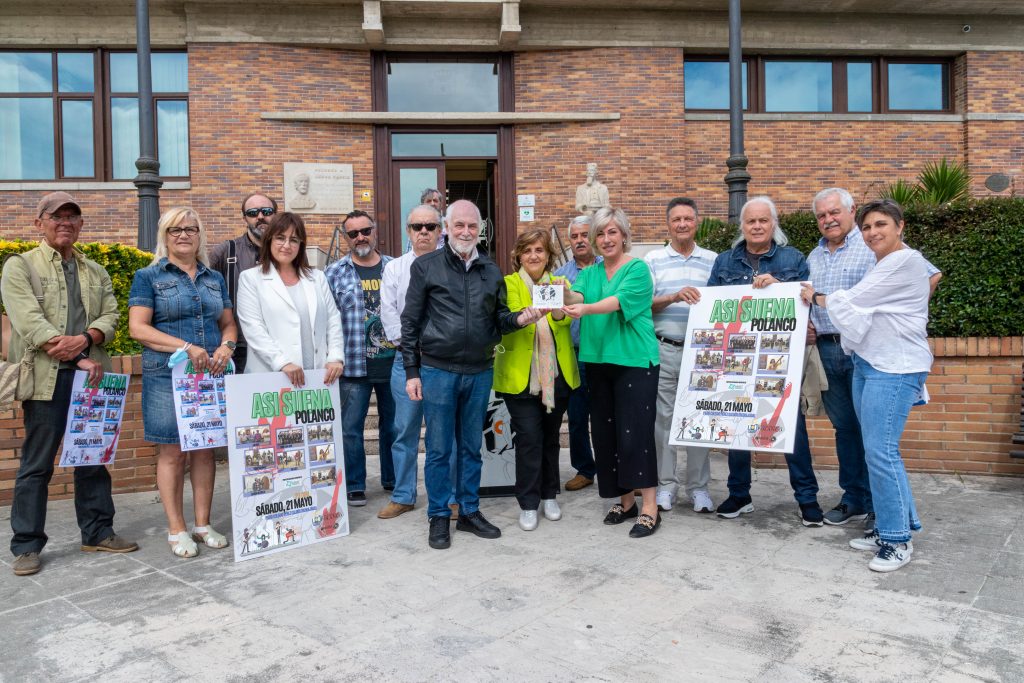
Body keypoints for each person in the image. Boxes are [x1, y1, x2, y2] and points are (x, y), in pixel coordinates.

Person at [1, 192, 138, 576]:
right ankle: (26, 545)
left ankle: (97, 531)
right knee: (37, 464)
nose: (65, 222)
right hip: (47, 380)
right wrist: (77, 352)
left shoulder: (96, 270)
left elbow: (112, 312)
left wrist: (89, 337)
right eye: (56, 216)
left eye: (72, 217)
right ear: (39, 223)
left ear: (80, 225)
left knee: (92, 458)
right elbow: (29, 322)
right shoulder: (20, 267)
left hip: (91, 379)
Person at [401, 199, 542, 550]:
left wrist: (523, 317)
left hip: (479, 372)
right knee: (437, 449)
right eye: (459, 225)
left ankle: (469, 511)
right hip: (437, 370)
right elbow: (410, 322)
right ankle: (438, 515)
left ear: (481, 230)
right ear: (446, 227)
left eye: (473, 226)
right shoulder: (426, 266)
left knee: (471, 448)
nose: (466, 232)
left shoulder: (491, 271)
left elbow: (500, 320)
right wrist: (411, 370)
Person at [800, 199, 932, 572]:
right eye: (869, 226)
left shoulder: (906, 261)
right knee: (879, 450)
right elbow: (860, 308)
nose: (874, 232)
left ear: (900, 226)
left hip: (895, 367)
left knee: (881, 452)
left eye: (881, 225)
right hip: (868, 361)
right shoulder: (882, 261)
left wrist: (817, 297)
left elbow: (853, 300)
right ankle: (895, 525)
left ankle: (896, 540)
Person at [707, 196, 825, 526]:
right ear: (741, 226)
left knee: (792, 428)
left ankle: (807, 498)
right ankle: (739, 494)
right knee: (737, 425)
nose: (757, 226)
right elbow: (714, 311)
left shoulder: (793, 258)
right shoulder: (724, 262)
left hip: (779, 360)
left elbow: (806, 303)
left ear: (774, 224)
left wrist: (779, 288)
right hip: (737, 359)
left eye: (763, 220)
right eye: (750, 221)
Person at [129, 207, 238, 558]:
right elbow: (138, 329)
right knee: (173, 451)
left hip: (207, 378)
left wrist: (227, 345)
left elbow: (228, 324)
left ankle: (203, 524)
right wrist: (186, 346)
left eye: (190, 229)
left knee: (204, 449)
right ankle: (176, 529)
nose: (183, 235)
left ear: (200, 235)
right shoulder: (149, 277)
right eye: (175, 229)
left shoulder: (213, 279)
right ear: (164, 235)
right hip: (166, 374)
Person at [562, 207, 662, 538]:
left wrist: (585, 308)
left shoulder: (637, 269)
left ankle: (650, 506)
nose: (606, 239)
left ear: (623, 235)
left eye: (612, 232)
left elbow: (617, 302)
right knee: (607, 434)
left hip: (635, 360)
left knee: (637, 434)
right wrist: (562, 292)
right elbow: (577, 294)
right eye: (601, 234)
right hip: (598, 360)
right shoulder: (589, 273)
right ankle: (625, 501)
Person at [495, 229, 581, 531]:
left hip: (556, 376)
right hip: (521, 377)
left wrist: (558, 311)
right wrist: (525, 316)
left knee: (551, 438)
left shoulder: (562, 284)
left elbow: (567, 320)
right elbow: (503, 322)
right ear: (518, 255)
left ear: (549, 256)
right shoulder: (507, 285)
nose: (534, 256)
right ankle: (529, 503)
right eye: (528, 250)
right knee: (529, 439)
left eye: (540, 250)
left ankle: (549, 495)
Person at [376, 204, 454, 520]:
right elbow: (389, 314)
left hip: (444, 363)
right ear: (408, 231)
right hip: (404, 361)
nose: (423, 231)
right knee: (404, 429)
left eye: (430, 226)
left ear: (440, 231)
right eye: (417, 226)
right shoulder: (395, 269)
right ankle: (404, 495)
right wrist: (412, 351)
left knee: (443, 432)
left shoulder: (454, 265)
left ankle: (446, 497)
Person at [644, 197, 717, 514]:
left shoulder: (714, 260)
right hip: (666, 347)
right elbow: (642, 305)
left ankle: (699, 489)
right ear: (668, 224)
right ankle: (666, 487)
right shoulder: (653, 259)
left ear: (697, 221)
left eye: (688, 218)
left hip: (704, 353)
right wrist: (673, 296)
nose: (683, 224)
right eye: (677, 219)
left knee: (700, 419)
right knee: (663, 421)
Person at [325, 210, 395, 507]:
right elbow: (327, 321)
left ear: (374, 230)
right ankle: (355, 484)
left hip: (394, 363)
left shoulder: (395, 267)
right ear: (346, 237)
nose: (360, 237)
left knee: (393, 427)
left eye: (364, 230)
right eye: (353, 234)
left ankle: (393, 480)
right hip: (353, 366)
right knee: (350, 429)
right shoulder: (333, 272)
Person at [234, 212, 344, 389]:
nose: (287, 245)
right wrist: (282, 363)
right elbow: (254, 328)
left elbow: (333, 320)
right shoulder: (251, 279)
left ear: (301, 245)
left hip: (318, 378)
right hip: (272, 376)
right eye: (280, 238)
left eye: (293, 240)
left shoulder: (317, 277)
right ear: (269, 240)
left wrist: (335, 357)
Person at [553, 215, 599, 491]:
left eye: (584, 235)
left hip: (607, 352)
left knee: (611, 415)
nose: (580, 240)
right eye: (574, 236)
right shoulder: (561, 278)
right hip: (575, 354)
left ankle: (617, 470)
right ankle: (585, 469)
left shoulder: (610, 269)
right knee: (578, 415)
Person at [209, 192, 278, 372]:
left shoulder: (288, 253)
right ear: (244, 218)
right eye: (253, 213)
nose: (260, 217)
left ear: (276, 215)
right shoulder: (226, 252)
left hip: (280, 345)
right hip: (239, 348)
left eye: (267, 211)